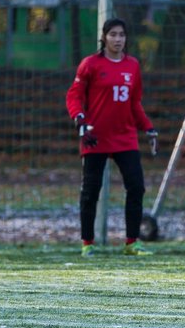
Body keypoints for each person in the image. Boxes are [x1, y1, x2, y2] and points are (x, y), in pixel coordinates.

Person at [65, 18, 158, 257]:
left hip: (125, 137)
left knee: (136, 187)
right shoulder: (90, 64)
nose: (118, 39)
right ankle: (87, 243)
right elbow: (73, 96)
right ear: (104, 37)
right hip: (95, 136)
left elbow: (134, 102)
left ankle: (131, 242)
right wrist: (80, 120)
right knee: (90, 191)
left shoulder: (133, 66)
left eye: (122, 35)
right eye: (113, 34)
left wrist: (147, 127)